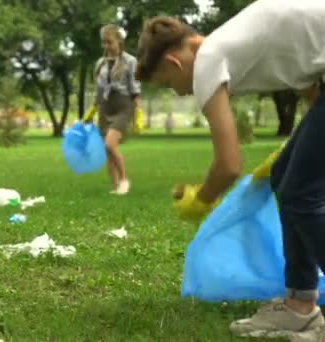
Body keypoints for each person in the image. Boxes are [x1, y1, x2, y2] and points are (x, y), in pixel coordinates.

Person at [134, 0, 325, 338]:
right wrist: (293, 150)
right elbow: (310, 86)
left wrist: (201, 200)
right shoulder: (232, 40)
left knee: (299, 193)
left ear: (173, 61)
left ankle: (301, 306)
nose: (179, 93)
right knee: (286, 178)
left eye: (168, 83)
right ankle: (300, 306)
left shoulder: (208, 60)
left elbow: (229, 164)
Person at [84, 24, 141, 195]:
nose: (106, 46)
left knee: (110, 144)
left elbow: (135, 87)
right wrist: (92, 111)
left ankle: (124, 180)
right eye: (104, 43)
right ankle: (115, 186)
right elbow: (99, 90)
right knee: (107, 150)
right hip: (105, 106)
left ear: (119, 42)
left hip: (123, 106)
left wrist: (138, 113)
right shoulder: (100, 63)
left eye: (109, 42)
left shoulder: (130, 61)